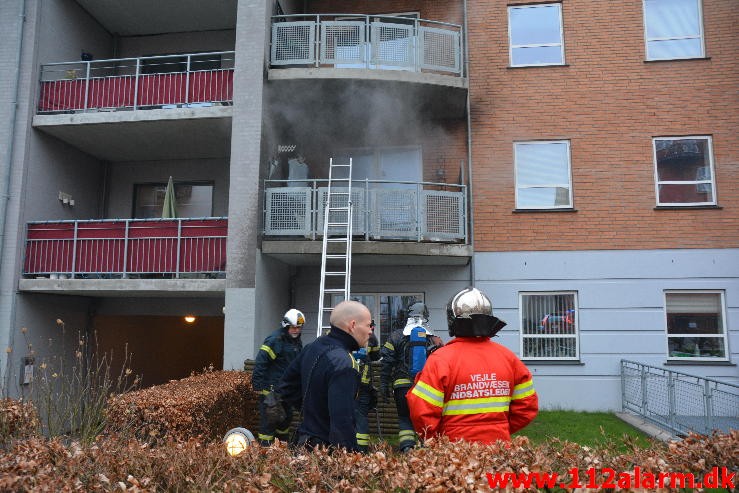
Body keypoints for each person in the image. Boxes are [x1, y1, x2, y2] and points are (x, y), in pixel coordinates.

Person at [406, 287, 538, 444]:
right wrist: (498, 430)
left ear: (452, 320)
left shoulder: (440, 360)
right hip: (500, 452)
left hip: (453, 454)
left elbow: (421, 412)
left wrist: (436, 442)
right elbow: (527, 408)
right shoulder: (509, 359)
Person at [277, 300, 373, 452]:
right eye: (368, 325)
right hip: (325, 455)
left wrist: (313, 411)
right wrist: (348, 464)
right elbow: (342, 422)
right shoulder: (344, 362)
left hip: (303, 446)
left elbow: (286, 387)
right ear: (353, 325)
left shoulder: (312, 347)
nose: (371, 331)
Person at [380, 301, 442, 452]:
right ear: (426, 316)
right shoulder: (434, 339)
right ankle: (425, 448)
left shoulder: (395, 336)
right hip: (424, 388)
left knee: (404, 417)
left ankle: (407, 447)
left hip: (401, 386)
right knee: (424, 418)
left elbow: (386, 362)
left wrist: (384, 385)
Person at [250, 308, 304, 445]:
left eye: (299, 327)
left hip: (286, 391)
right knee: (269, 422)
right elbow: (261, 362)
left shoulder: (296, 342)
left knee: (285, 421)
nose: (296, 330)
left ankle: (281, 452)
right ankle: (264, 454)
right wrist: (257, 385)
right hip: (271, 391)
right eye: (293, 327)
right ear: (286, 326)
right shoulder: (275, 340)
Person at [353, 319, 381, 452]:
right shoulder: (372, 338)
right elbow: (376, 356)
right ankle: (361, 449)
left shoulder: (348, 334)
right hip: (364, 384)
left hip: (347, 383)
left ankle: (348, 447)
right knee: (361, 415)